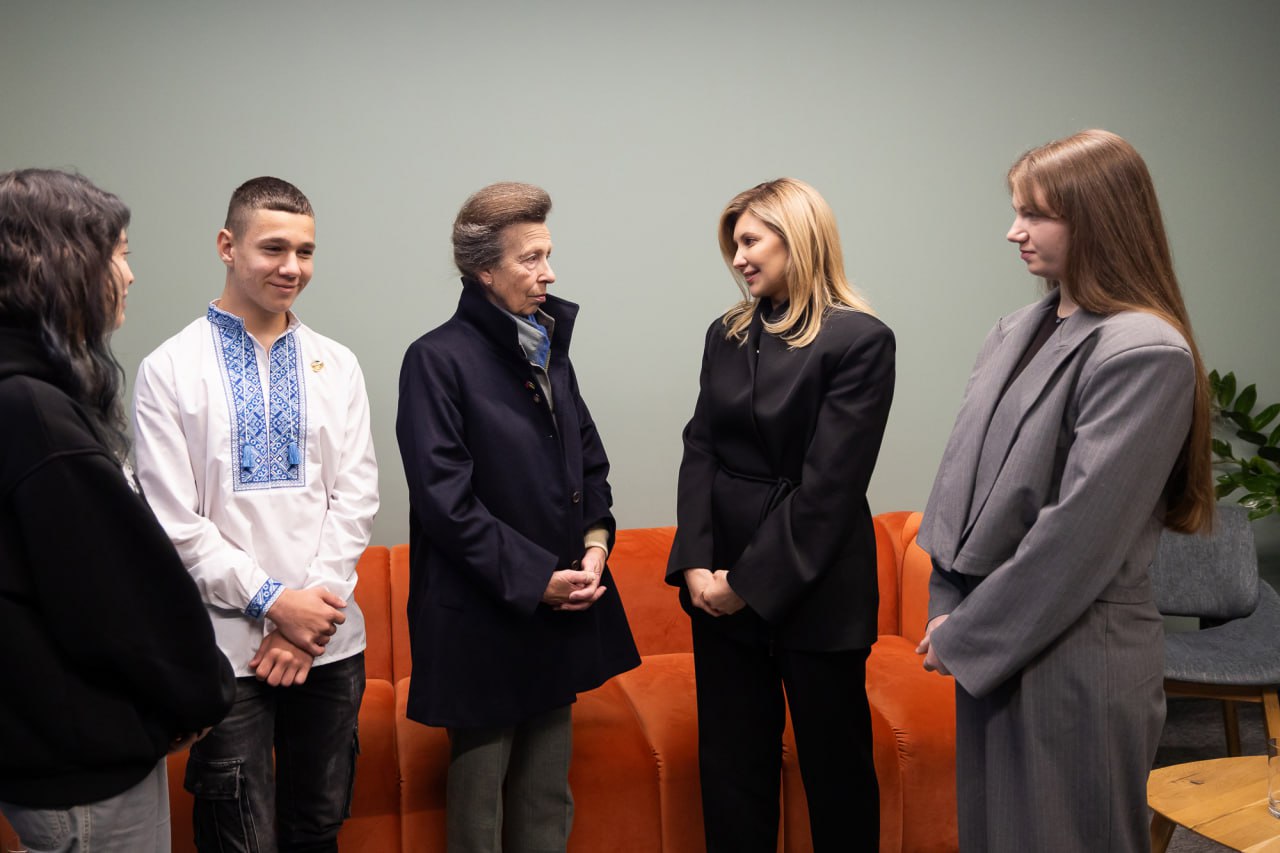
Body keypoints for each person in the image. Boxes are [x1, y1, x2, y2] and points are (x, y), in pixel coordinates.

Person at [915, 129, 1215, 852]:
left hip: (1078, 653)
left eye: (1036, 214)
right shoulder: (1014, 330)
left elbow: (1080, 533)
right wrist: (949, 602)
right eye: (1017, 210)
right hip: (998, 635)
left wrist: (968, 631)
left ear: (1098, 219)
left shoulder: (1144, 350)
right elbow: (961, 483)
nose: (1013, 231)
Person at [132, 176, 379, 853]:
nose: (292, 267)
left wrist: (306, 620)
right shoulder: (169, 369)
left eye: (306, 251)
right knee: (237, 840)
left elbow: (356, 498)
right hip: (224, 652)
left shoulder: (338, 364)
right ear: (227, 245)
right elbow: (174, 523)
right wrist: (274, 602)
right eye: (273, 248)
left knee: (317, 831)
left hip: (329, 646)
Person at [396, 181, 640, 852]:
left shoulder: (548, 349)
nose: (548, 273)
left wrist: (595, 547)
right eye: (531, 258)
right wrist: (539, 580)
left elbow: (589, 465)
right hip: (482, 619)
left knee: (545, 802)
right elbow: (445, 504)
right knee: (479, 814)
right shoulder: (434, 359)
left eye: (548, 255)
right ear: (484, 270)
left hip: (556, 610)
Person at [0, 168, 234, 852]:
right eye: (119, 254)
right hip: (82, 765)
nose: (129, 275)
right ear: (62, 266)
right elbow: (114, 600)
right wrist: (197, 695)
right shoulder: (33, 412)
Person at [666, 177, 896, 852]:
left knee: (837, 772)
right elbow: (700, 448)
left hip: (817, 581)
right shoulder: (727, 333)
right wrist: (698, 564)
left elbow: (830, 489)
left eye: (749, 241)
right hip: (719, 579)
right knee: (732, 771)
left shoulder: (861, 340)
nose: (738, 258)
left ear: (797, 238)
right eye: (733, 245)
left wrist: (746, 584)